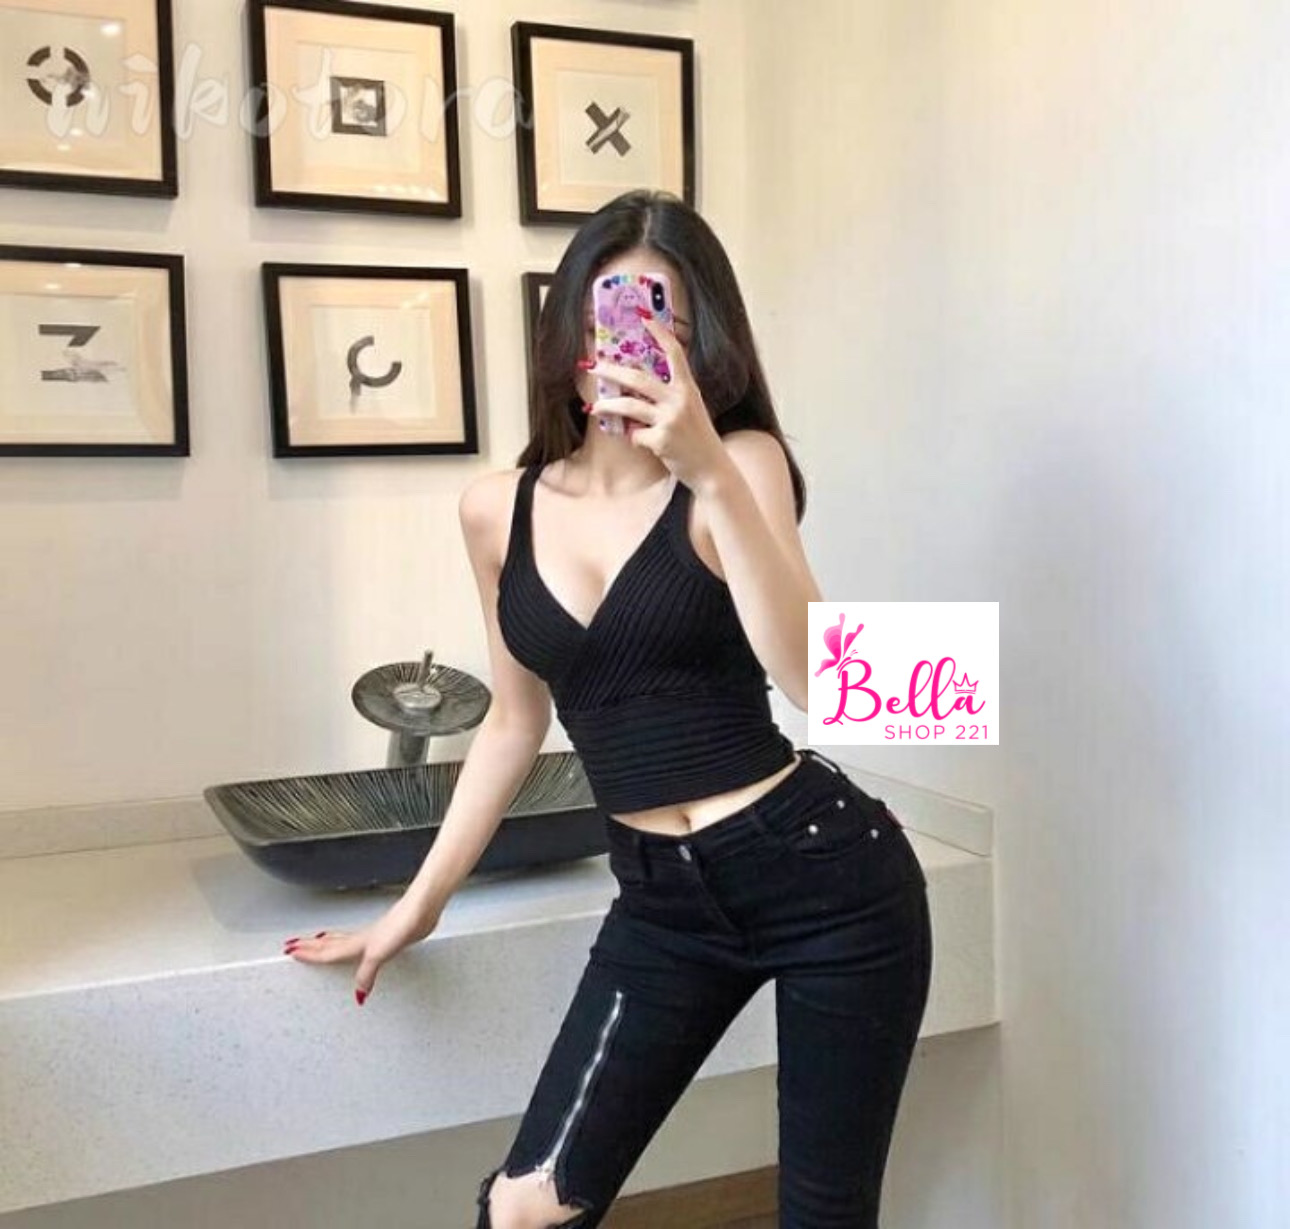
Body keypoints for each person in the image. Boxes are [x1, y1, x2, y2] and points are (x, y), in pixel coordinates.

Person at [282, 189, 932, 1229]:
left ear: (697, 339)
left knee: (824, 1213)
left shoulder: (742, 463)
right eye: (602, 314)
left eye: (656, 313)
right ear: (566, 334)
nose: (620, 343)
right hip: (661, 902)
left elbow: (820, 679)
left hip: (825, 874)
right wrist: (420, 902)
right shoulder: (495, 508)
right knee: (523, 1208)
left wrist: (706, 468)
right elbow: (513, 720)